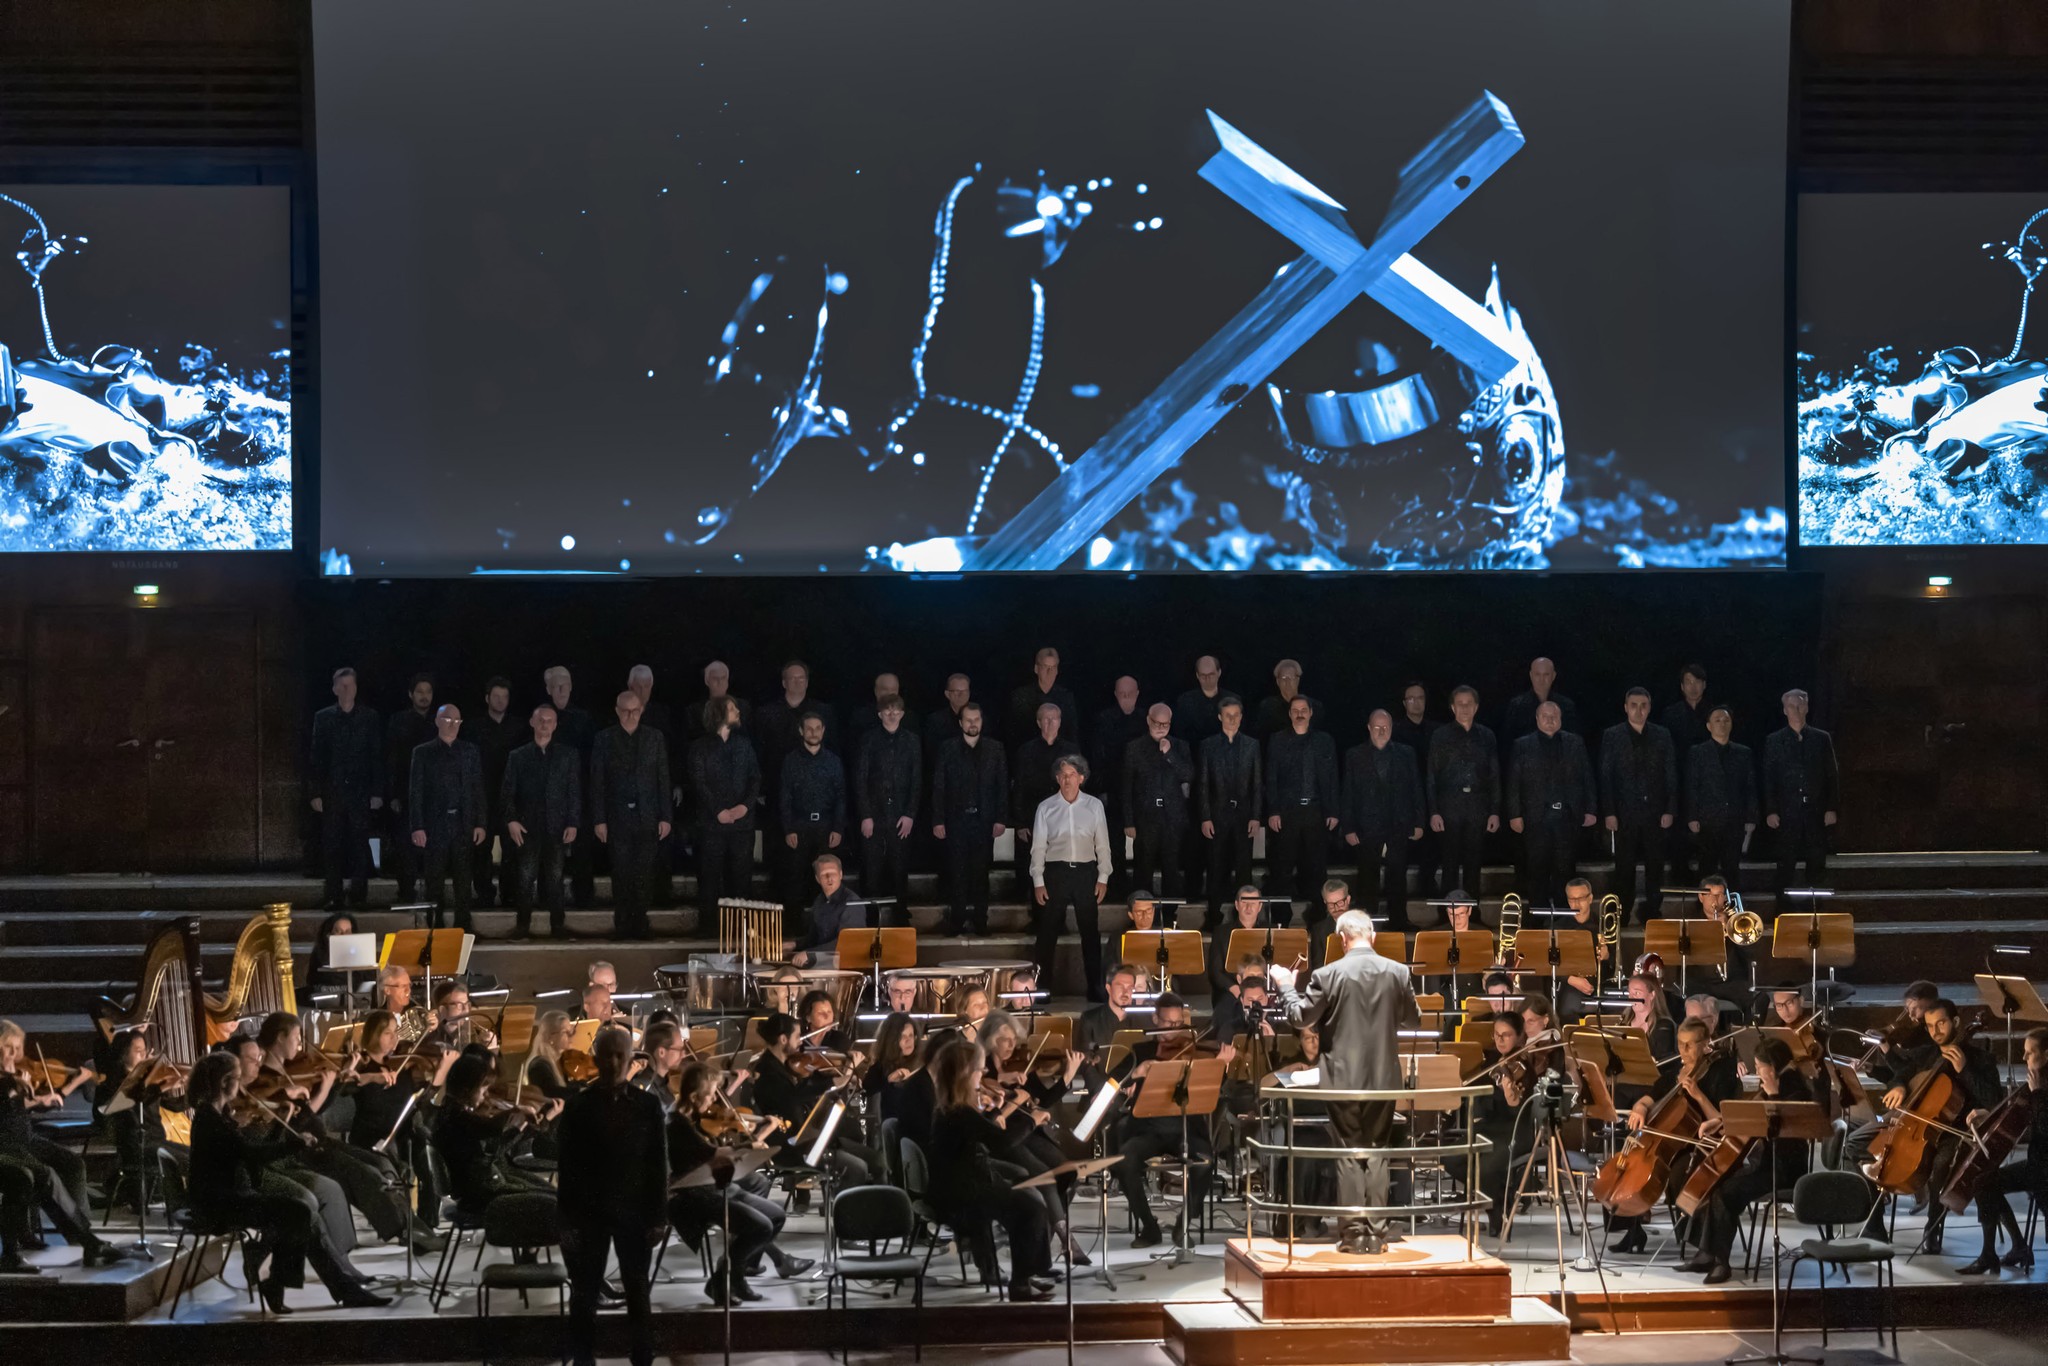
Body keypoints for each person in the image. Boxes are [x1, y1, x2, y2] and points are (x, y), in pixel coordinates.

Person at [183, 1052, 388, 1312]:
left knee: (302, 1216)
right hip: (220, 1204)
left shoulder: (216, 1115)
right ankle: (289, 1284)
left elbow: (250, 1153)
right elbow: (252, 1154)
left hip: (230, 1197)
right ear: (225, 1082)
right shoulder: (211, 1120)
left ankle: (337, 1288)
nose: (240, 1084)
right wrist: (292, 1144)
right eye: (236, 1078)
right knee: (298, 1213)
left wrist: (284, 1133)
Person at [1268, 909, 1421, 1254]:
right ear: (1373, 936)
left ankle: (1353, 1235)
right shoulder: (1397, 972)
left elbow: (1299, 1017)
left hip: (1342, 1079)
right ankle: (1377, 1234)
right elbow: (1413, 1018)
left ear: (1342, 939)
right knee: (1378, 1151)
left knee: (1349, 1153)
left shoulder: (1327, 974)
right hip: (1384, 1079)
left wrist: (1286, 986)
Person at [557, 1028, 666, 1366]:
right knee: (585, 1292)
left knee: (637, 1289)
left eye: (621, 1055)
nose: (615, 1062)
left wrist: (659, 1215)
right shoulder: (577, 1106)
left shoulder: (648, 1105)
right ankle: (583, 1359)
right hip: (590, 1210)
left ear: (632, 1059)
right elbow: (568, 1167)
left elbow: (657, 1164)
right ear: (597, 1059)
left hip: (634, 1209)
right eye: (608, 1055)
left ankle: (642, 1356)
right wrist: (566, 1220)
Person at [667, 1060, 813, 1306]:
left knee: (776, 1216)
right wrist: (749, 1145)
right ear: (694, 1096)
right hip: (692, 1195)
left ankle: (730, 1277)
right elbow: (710, 1153)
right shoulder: (677, 1123)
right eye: (711, 1094)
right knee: (761, 1227)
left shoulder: (694, 1117)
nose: (714, 1100)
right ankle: (724, 1280)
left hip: (716, 1186)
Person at [925, 1038, 1058, 1300]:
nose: (983, 1075)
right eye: (979, 1070)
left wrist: (994, 1111)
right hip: (960, 1194)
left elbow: (982, 1133)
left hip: (963, 1183)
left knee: (1027, 1200)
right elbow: (1002, 1143)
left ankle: (1028, 1273)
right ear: (965, 1073)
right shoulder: (958, 1111)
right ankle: (1021, 1283)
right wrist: (1032, 1121)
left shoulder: (953, 1108)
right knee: (1030, 1208)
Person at [0, 1021, 135, 1269]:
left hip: (23, 1138)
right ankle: (88, 1242)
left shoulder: (11, 1076)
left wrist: (27, 1094)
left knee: (70, 1162)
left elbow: (17, 1107)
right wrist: (11, 1088)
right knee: (39, 1174)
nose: (13, 1054)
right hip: (6, 1144)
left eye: (16, 1048)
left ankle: (80, 1234)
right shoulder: (7, 1081)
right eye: (7, 1047)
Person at [1609, 1016, 1740, 1254]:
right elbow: (1649, 1098)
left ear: (1706, 1043)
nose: (1684, 1050)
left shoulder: (1720, 1072)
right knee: (1624, 1168)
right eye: (1680, 1044)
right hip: (1668, 1141)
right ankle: (1633, 1230)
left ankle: (1695, 1240)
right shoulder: (1672, 1073)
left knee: (1679, 1174)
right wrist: (1639, 1108)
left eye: (1690, 1044)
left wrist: (1698, 1095)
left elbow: (1722, 1118)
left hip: (1698, 1143)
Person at [1689, 1035, 1812, 1284]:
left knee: (1727, 1192)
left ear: (1774, 1066)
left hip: (1785, 1168)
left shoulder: (1796, 1089)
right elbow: (1751, 1109)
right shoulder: (1771, 1085)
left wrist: (1775, 1096)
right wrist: (1720, 1121)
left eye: (1760, 1067)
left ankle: (1721, 1262)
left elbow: (1784, 1133)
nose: (1757, 1072)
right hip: (1765, 1163)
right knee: (1716, 1182)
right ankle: (1706, 1253)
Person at [1113, 993, 1232, 1249]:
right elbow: (1113, 1082)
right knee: (1124, 1162)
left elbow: (1214, 1090)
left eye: (1179, 1024)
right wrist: (1137, 1072)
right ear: (1155, 1019)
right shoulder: (1141, 1051)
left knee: (1205, 1162)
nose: (1173, 1030)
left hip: (1186, 1129)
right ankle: (1149, 1226)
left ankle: (1185, 1222)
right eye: (1167, 1023)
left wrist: (1220, 1067)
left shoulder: (1195, 1053)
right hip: (1147, 1130)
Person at [1958, 1026, 2047, 1275]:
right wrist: (1991, 1115)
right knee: (1984, 1181)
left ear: (2047, 1055)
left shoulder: (2040, 1086)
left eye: (2030, 1053)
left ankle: (2016, 1247)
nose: (2024, 1058)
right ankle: (2000, 1251)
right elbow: (2020, 1117)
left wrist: (2038, 1092)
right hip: (2037, 1165)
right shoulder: (2036, 1082)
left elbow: (2043, 1126)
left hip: (2045, 1172)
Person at [1029, 755, 1114, 1003]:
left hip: (1086, 873)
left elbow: (1103, 845)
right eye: (1063, 775)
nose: (1067, 779)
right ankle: (1042, 987)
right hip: (1055, 873)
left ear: (1081, 778)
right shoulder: (1046, 807)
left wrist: (1103, 876)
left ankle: (1095, 987)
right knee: (1047, 934)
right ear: (1057, 778)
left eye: (1072, 774)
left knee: (1090, 932)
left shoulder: (1094, 806)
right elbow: (1038, 848)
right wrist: (1038, 880)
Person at [591, 690, 674, 939]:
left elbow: (663, 778)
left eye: (635, 710)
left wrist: (666, 816)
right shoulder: (604, 739)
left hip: (648, 816)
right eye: (626, 710)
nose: (631, 715)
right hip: (616, 817)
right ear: (617, 711)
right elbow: (597, 782)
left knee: (644, 872)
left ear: (642, 710)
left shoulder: (654, 738)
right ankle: (623, 923)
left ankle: (641, 922)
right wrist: (599, 819)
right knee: (621, 872)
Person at [1505, 702, 1596, 909]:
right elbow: (1514, 782)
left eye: (1554, 716)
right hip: (1535, 818)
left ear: (1561, 719)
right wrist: (1514, 814)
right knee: (1537, 870)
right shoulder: (1522, 745)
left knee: (1565, 869)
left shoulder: (1575, 743)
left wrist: (1590, 809)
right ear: (1537, 719)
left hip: (1567, 817)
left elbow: (1587, 777)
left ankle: (1564, 919)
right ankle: (1539, 919)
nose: (1550, 720)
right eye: (1545, 716)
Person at [1342, 710, 1425, 932]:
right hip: (1366, 826)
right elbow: (1348, 793)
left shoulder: (1406, 753)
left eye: (1386, 727)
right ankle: (1365, 925)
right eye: (1377, 727)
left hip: (1398, 825)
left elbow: (1416, 788)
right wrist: (1348, 827)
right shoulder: (1354, 755)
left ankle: (1399, 920)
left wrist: (1419, 822)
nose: (1382, 731)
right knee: (1367, 876)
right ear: (1369, 728)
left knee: (1397, 876)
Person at [1600, 688, 1677, 924]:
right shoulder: (1612, 735)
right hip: (1624, 813)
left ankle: (1653, 910)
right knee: (1625, 865)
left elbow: (1671, 774)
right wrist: (1609, 811)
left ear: (1650, 707)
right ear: (1625, 707)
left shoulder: (1662, 735)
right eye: (1634, 705)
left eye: (1643, 705)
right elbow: (1606, 776)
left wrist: (1670, 809)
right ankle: (1623, 911)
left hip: (1655, 812)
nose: (1639, 710)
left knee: (1656, 864)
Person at [309, 666, 382, 911]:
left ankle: (359, 895)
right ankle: (334, 895)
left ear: (356, 688)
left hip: (361, 792)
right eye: (342, 685)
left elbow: (376, 756)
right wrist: (315, 792)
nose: (346, 689)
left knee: (360, 844)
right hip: (333, 791)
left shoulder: (369, 717)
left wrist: (377, 792)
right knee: (332, 845)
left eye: (350, 685)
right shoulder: (323, 717)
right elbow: (316, 758)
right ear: (334, 689)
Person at [408, 703, 487, 931]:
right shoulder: (422, 752)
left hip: (463, 823)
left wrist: (480, 822)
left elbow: (478, 789)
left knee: (464, 878)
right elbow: (416, 792)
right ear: (437, 721)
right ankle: (436, 925)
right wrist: (417, 826)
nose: (452, 725)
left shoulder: (470, 751)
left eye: (456, 721)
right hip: (435, 826)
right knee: (435, 879)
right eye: (447, 719)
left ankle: (464, 924)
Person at [932, 701, 1007, 935]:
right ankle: (957, 920)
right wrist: (938, 819)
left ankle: (980, 920)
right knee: (957, 872)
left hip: (984, 821)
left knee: (981, 873)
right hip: (956, 821)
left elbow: (1001, 786)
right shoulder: (947, 748)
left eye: (976, 719)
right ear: (960, 722)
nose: (972, 723)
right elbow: (939, 786)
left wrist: (1001, 818)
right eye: (968, 720)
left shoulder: (996, 749)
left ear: (982, 722)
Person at [1265, 697, 1338, 928]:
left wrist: (1333, 810)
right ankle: (1280, 919)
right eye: (1295, 710)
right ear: (1289, 714)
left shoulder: (1324, 740)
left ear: (1311, 712)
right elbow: (1271, 778)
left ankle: (1318, 918)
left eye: (1303, 710)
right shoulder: (1277, 740)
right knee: (1282, 868)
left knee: (1317, 867)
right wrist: (1273, 810)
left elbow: (1332, 777)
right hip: (1287, 813)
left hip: (1316, 811)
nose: (1299, 714)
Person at [1428, 687, 1500, 918]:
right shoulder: (1440, 736)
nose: (1465, 707)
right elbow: (1431, 776)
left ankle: (1472, 914)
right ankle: (1445, 915)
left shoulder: (1487, 736)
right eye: (1460, 703)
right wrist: (1434, 811)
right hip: (1449, 806)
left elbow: (1494, 776)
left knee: (1473, 862)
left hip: (1478, 806)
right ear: (1452, 707)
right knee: (1449, 863)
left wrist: (1494, 811)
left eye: (1469, 703)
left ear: (1476, 707)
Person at [1763, 689, 1840, 901]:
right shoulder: (1774, 741)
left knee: (1816, 862)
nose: (1796, 710)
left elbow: (1831, 775)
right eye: (1791, 706)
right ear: (1784, 710)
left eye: (1799, 705)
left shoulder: (1821, 739)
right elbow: (1769, 778)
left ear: (1806, 707)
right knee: (1785, 864)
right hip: (1787, 812)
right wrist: (1771, 810)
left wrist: (1831, 807)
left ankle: (1816, 911)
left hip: (1815, 810)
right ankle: (1783, 912)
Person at [688, 696, 761, 913]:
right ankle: (709, 927)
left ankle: (741, 928)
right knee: (709, 877)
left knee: (741, 877)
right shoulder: (699, 747)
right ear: (719, 713)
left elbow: (755, 777)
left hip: (742, 823)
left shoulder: (744, 744)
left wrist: (745, 807)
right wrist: (718, 810)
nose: (737, 711)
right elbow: (698, 782)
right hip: (711, 824)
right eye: (732, 708)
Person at [1198, 695, 1261, 931]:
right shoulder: (1208, 745)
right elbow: (1203, 784)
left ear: (1242, 717)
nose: (1232, 719)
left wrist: (1256, 816)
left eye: (1236, 715)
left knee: (1243, 866)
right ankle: (1213, 916)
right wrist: (1205, 816)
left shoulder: (1252, 745)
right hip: (1217, 814)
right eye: (1227, 715)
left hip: (1244, 815)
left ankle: (1245, 920)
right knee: (1216, 866)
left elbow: (1257, 783)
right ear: (1219, 717)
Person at [854, 693, 919, 919]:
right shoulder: (868, 739)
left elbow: (916, 780)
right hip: (874, 813)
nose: (892, 714)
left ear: (902, 714)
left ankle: (901, 910)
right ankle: (871, 914)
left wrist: (910, 814)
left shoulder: (912, 740)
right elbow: (861, 778)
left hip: (901, 813)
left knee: (900, 865)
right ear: (880, 714)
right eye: (887, 710)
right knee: (872, 867)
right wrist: (866, 815)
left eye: (896, 710)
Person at [468, 676, 529, 909]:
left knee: (511, 849)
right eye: (496, 696)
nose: (500, 701)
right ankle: (484, 893)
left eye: (504, 697)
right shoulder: (474, 728)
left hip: (511, 797)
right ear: (487, 698)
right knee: (481, 849)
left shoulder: (520, 728)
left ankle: (509, 894)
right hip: (482, 795)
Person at [777, 711, 845, 918]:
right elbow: (785, 797)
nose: (813, 732)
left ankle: (826, 922)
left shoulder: (833, 761)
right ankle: (794, 923)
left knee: (826, 876)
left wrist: (838, 828)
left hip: (825, 825)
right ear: (801, 731)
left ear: (823, 731)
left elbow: (841, 797)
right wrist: (788, 828)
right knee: (795, 876)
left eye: (818, 728)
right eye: (809, 728)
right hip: (799, 824)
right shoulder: (791, 761)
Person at [1125, 702, 1194, 901]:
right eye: (1157, 723)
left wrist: (1170, 754)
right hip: (1145, 819)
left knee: (1171, 869)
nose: (1161, 727)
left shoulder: (1180, 746)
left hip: (1173, 819)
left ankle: (1170, 917)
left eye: (1166, 724)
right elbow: (1127, 787)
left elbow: (1189, 774)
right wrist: (1129, 821)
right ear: (1148, 720)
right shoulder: (1134, 748)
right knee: (1143, 868)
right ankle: (1142, 917)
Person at [1685, 705, 1758, 894]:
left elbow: (1750, 788)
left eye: (1726, 720)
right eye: (1717, 720)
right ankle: (1705, 909)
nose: (1722, 724)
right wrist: (1692, 816)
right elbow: (1692, 786)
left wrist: (1751, 818)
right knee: (1706, 865)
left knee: (1731, 866)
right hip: (1707, 819)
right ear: (1708, 726)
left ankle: (1733, 911)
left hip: (1734, 818)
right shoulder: (1698, 752)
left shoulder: (1743, 752)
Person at [1012, 702, 1084, 892]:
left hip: (1062, 817)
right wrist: (1020, 823)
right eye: (1046, 719)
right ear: (1038, 722)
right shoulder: (1026, 750)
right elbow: (1018, 787)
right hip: (1032, 816)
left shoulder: (1071, 750)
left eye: (1054, 719)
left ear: (1060, 722)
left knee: (1058, 868)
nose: (1050, 723)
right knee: (1031, 868)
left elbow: (1079, 786)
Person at [543, 666, 600, 907]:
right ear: (548, 689)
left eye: (565, 684)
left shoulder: (584, 719)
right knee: (549, 850)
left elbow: (593, 760)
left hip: (580, 793)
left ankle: (584, 898)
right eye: (556, 685)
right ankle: (549, 900)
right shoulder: (541, 718)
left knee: (582, 849)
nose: (561, 689)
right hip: (549, 796)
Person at [1092, 676, 1149, 896]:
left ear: (1137, 693)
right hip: (1113, 788)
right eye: (1121, 694)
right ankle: (1116, 888)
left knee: (1143, 844)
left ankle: (1142, 892)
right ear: (1116, 695)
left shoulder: (1146, 718)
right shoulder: (1104, 719)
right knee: (1114, 841)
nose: (1126, 698)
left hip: (1140, 790)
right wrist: (1102, 789)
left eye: (1130, 694)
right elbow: (1098, 756)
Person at [384, 674, 437, 899]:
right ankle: (406, 889)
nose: (424, 697)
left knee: (434, 846)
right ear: (411, 694)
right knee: (405, 845)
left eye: (428, 692)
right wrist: (393, 794)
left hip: (434, 794)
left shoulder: (439, 721)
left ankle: (433, 892)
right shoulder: (398, 721)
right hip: (405, 792)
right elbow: (392, 759)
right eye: (420, 692)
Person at [1391, 683, 1442, 898]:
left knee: (1432, 844)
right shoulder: (1395, 730)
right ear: (1404, 703)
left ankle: (1427, 884)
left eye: (1420, 698)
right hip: (1405, 796)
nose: (1416, 702)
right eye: (1410, 698)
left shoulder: (1437, 731)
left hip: (1432, 793)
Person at [790, 854, 856, 967]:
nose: (829, 878)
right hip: (823, 963)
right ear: (817, 879)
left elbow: (847, 942)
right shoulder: (819, 901)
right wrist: (793, 944)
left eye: (833, 873)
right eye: (824, 874)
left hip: (844, 964)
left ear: (841, 874)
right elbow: (814, 938)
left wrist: (810, 954)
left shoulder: (852, 902)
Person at [1500, 656, 1579, 751]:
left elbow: (1573, 741)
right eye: (1537, 674)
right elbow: (1508, 742)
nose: (1541, 680)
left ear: (1553, 676)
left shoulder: (1566, 706)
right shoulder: (1517, 706)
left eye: (1546, 675)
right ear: (1531, 675)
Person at [1008, 646, 1081, 747]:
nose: (1049, 672)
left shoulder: (1066, 697)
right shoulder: (1021, 696)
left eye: (1053, 667)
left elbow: (1072, 733)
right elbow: (1016, 733)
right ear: (1036, 669)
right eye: (1045, 667)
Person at [684, 660, 752, 744]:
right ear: (707, 681)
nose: (720, 682)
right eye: (715, 679)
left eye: (723, 678)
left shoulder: (742, 707)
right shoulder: (694, 711)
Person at [1254, 658, 1322, 741]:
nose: (1288, 682)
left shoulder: (1314, 706)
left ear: (1298, 680)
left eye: (1291, 678)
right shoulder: (1267, 707)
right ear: (1278, 682)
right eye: (1283, 678)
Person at [1174, 655, 1226, 746]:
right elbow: (1180, 735)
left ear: (1219, 672)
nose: (1207, 679)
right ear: (1197, 675)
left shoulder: (1232, 700)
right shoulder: (1185, 701)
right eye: (1203, 675)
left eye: (1211, 674)